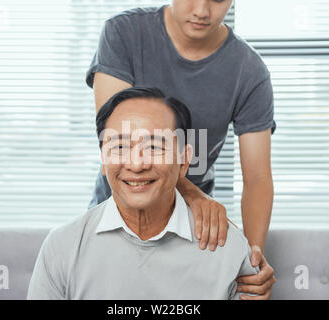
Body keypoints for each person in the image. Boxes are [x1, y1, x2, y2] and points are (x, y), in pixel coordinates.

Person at [86, 1, 276, 299]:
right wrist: (194, 195)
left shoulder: (249, 70)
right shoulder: (123, 33)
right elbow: (116, 141)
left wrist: (251, 260)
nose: (202, 10)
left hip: (192, 229)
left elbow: (258, 178)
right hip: (117, 215)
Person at [27, 87, 258, 300]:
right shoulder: (63, 247)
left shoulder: (229, 249)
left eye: (154, 147)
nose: (136, 165)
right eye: (119, 147)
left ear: (184, 160)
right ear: (103, 160)